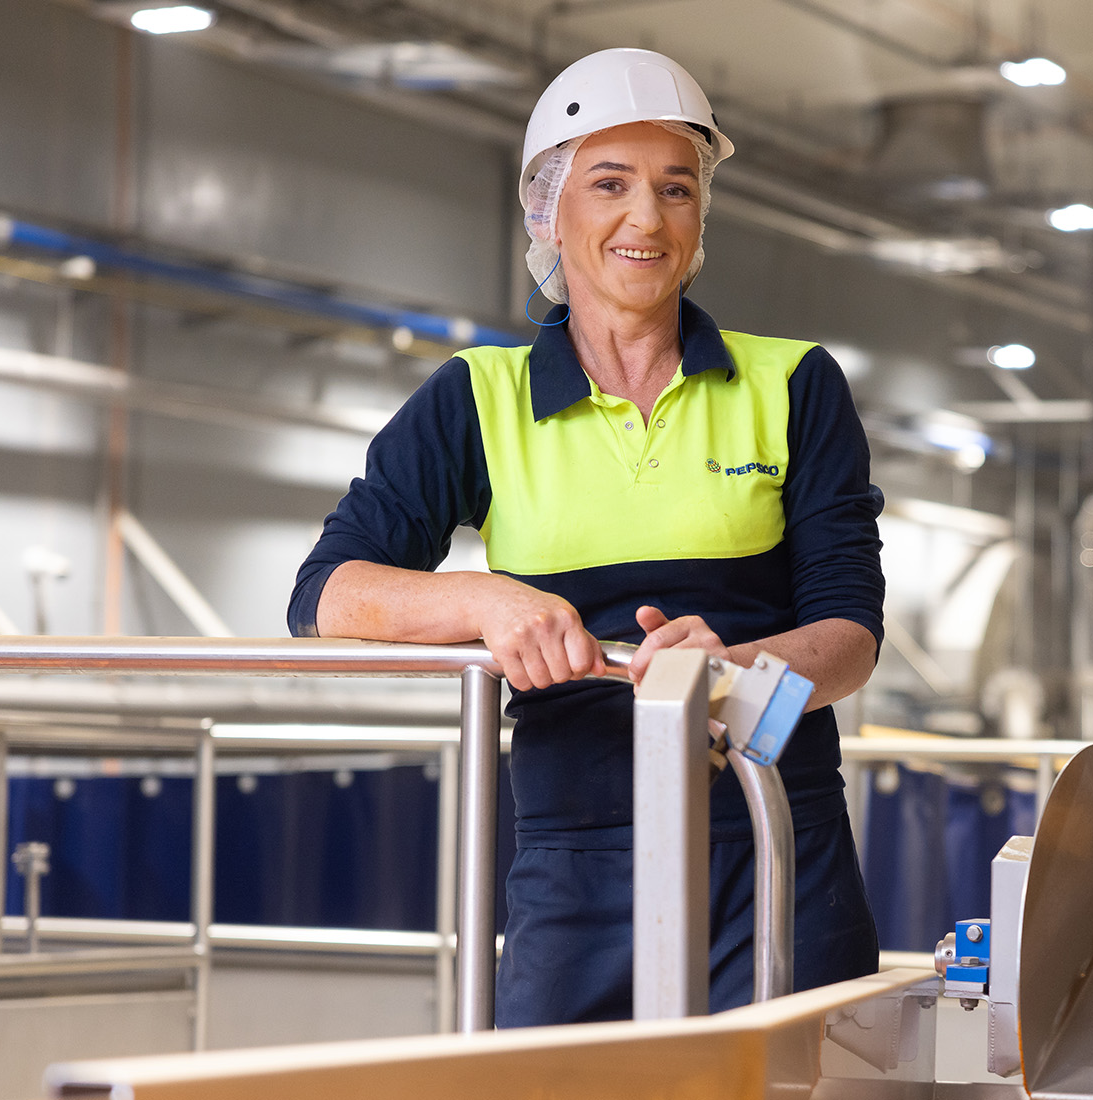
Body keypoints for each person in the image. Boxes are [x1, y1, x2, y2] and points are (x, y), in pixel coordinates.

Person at [287, 47, 884, 1026]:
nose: (645, 218)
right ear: (546, 210)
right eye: (610, 184)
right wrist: (486, 599)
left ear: (700, 217)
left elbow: (849, 634)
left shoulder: (794, 383)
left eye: (675, 188)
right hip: (575, 856)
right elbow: (324, 596)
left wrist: (728, 668)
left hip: (776, 843)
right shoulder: (480, 399)